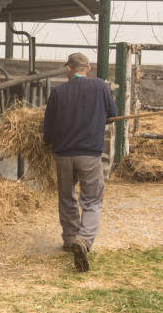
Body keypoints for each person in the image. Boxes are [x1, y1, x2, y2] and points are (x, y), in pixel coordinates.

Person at [42, 52, 117, 272]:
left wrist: (45, 139)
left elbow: (49, 129)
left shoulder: (58, 92)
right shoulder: (101, 87)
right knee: (92, 200)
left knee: (66, 197)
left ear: (69, 69)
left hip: (63, 154)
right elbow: (113, 114)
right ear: (88, 69)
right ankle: (83, 240)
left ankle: (69, 239)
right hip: (90, 154)